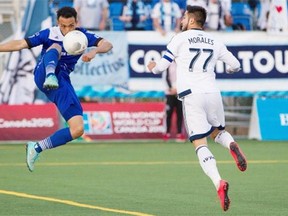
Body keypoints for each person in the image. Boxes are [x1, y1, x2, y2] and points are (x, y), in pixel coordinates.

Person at [147, 5, 247, 211]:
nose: (182, 20)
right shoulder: (215, 40)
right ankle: (231, 145)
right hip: (213, 93)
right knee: (219, 132)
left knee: (200, 143)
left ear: (192, 20)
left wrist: (152, 67)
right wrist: (228, 68)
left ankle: (218, 182)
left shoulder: (179, 38)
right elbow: (236, 64)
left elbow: (162, 66)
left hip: (192, 95)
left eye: (184, 17)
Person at [0, 6, 113, 172]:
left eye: (71, 26)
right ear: (57, 23)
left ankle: (37, 147)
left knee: (77, 129)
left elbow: (107, 44)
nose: (67, 30)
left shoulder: (82, 36)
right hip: (43, 74)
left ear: (76, 23)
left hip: (62, 81)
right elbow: (20, 43)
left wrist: (95, 51)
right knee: (55, 47)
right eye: (63, 26)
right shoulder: (49, 33)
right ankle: (50, 74)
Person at [163, 61, 185, 142]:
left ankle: (179, 133)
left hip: (180, 92)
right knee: (169, 113)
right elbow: (166, 78)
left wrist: (178, 89)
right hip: (170, 93)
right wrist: (171, 88)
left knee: (180, 113)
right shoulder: (168, 64)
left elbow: (184, 78)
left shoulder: (182, 63)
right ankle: (167, 133)